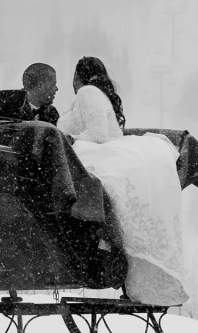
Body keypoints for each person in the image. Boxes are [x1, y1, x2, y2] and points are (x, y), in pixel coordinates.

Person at [58, 56, 188, 306]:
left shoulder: (86, 92)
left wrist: (68, 140)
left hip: (92, 152)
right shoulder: (94, 95)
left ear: (77, 77)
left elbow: (96, 134)